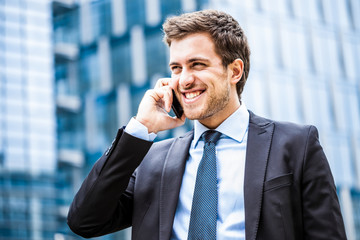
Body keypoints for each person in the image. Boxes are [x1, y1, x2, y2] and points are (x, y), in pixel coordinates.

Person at [67, 9, 347, 240]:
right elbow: (85, 221)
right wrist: (141, 128)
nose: (184, 80)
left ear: (234, 71)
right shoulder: (152, 160)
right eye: (176, 68)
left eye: (197, 64)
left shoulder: (296, 144)